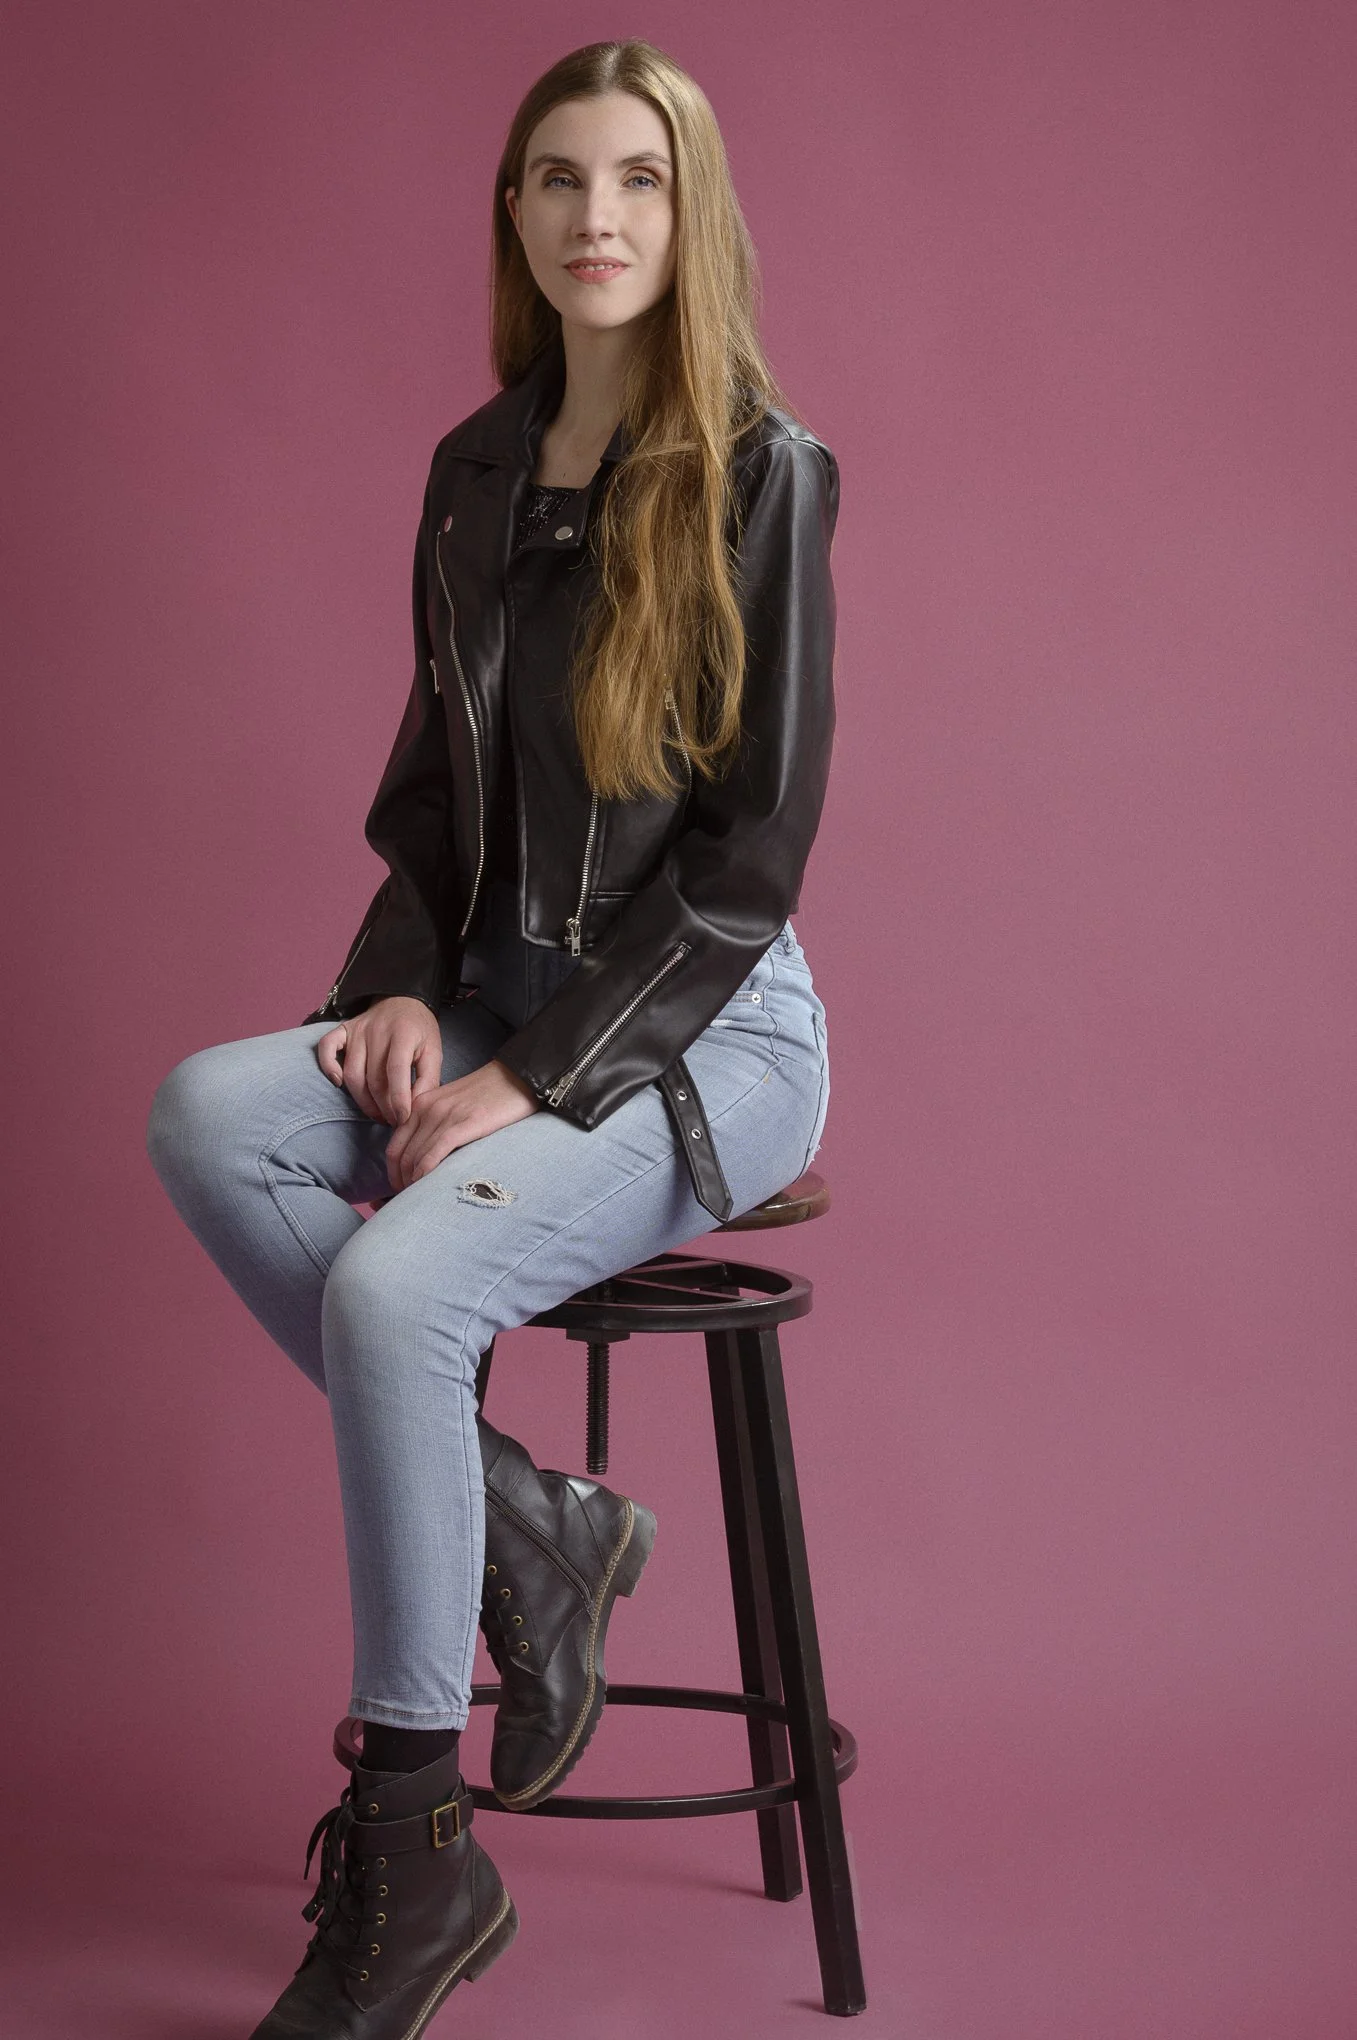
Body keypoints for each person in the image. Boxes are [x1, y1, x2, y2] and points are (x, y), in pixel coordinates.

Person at [146, 36, 839, 2039]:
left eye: (636, 178)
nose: (597, 217)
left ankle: (415, 1838)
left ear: (687, 211)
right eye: (557, 179)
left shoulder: (766, 474)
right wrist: (391, 989)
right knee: (208, 1113)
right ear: (515, 215)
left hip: (709, 1028)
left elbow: (746, 863)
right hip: (498, 989)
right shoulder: (472, 471)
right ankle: (533, 1521)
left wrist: (528, 1078)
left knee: (392, 1286)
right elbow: (439, 814)